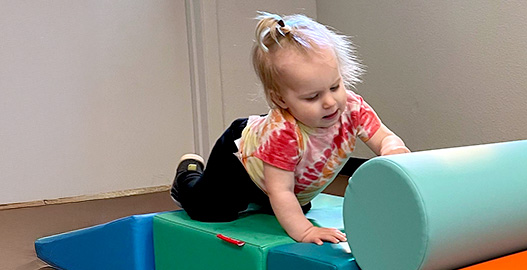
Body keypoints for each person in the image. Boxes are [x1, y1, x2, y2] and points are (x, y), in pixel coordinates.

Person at [170, 12, 409, 245]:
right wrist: (305, 231)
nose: (329, 102)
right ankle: (188, 174)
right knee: (212, 211)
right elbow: (281, 192)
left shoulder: (352, 109)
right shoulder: (283, 133)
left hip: (284, 179)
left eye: (335, 86)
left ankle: (263, 201)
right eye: (312, 97)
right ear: (281, 100)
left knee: (297, 205)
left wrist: (392, 151)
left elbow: (384, 137)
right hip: (240, 162)